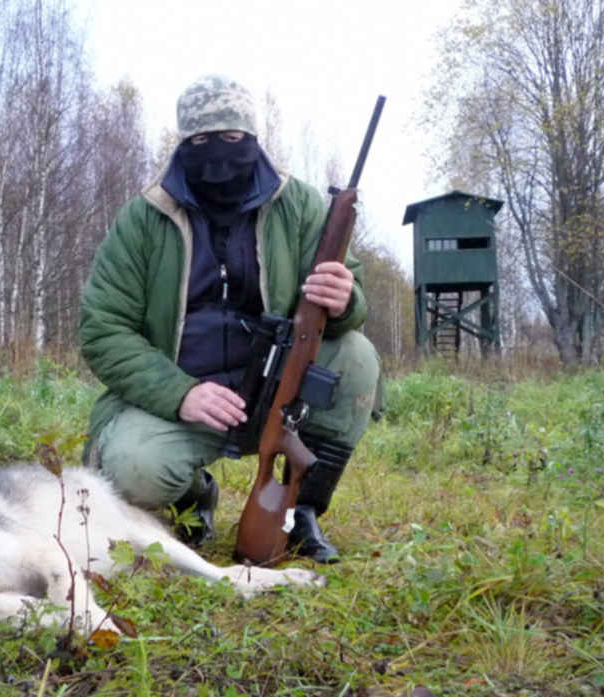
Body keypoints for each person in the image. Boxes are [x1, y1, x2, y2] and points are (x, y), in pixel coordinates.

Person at [79, 75, 379, 563]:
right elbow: (103, 329)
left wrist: (346, 299)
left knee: (357, 357)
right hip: (179, 398)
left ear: (253, 138)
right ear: (182, 143)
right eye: (201, 142)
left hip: (277, 389)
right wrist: (180, 394)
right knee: (130, 471)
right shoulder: (143, 218)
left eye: (233, 138)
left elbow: (350, 303)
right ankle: (193, 497)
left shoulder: (300, 205)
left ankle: (300, 511)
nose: (218, 153)